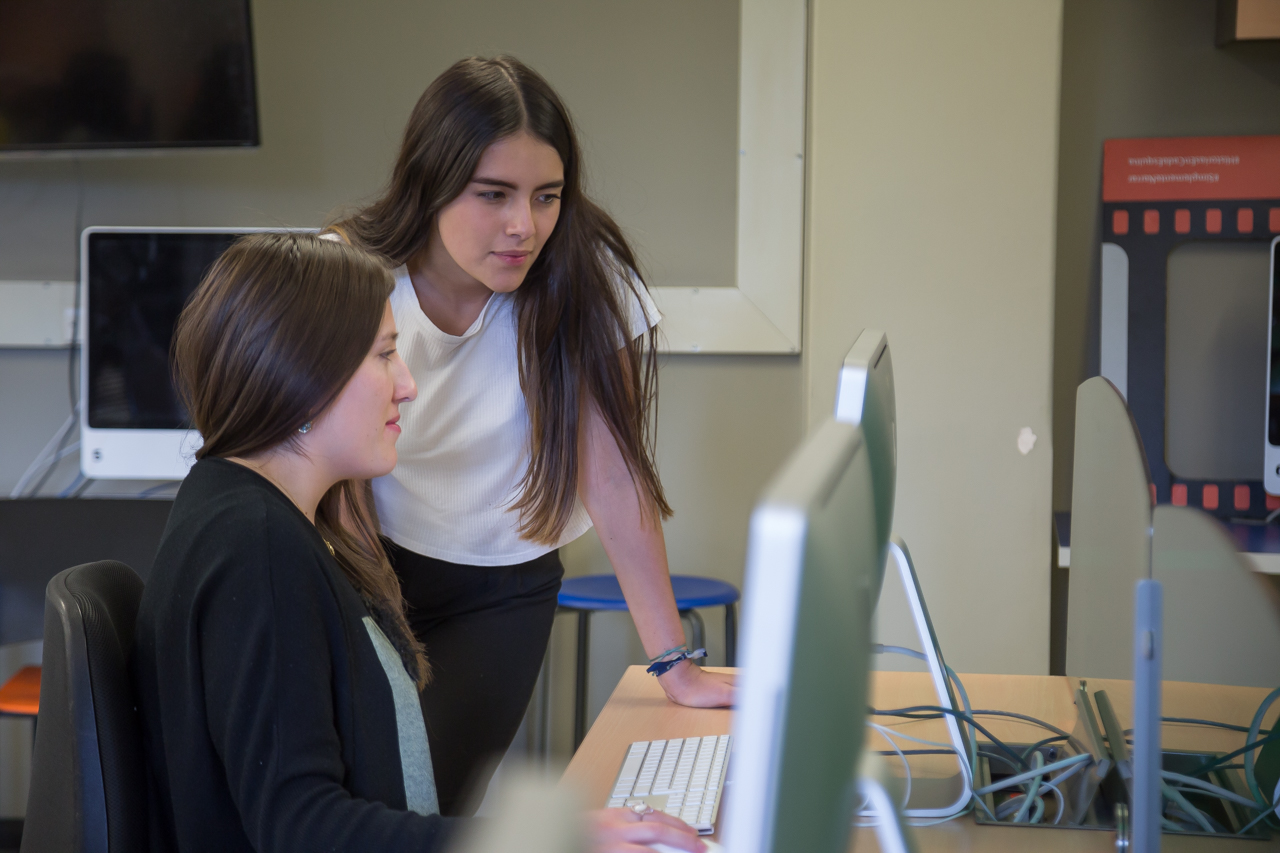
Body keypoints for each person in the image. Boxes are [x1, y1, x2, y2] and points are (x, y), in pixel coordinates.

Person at [131, 232, 705, 853]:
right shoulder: (258, 548)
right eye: (384, 356)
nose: (407, 385)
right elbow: (302, 828)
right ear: (301, 376)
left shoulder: (242, 513)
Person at [330, 55, 735, 815]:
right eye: (494, 195)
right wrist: (371, 614)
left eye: (547, 196)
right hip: (366, 561)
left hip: (503, 583)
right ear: (431, 179)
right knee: (352, 797)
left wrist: (674, 663)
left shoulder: (585, 276)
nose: (525, 226)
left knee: (432, 802)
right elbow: (332, 472)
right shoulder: (351, 274)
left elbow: (613, 477)